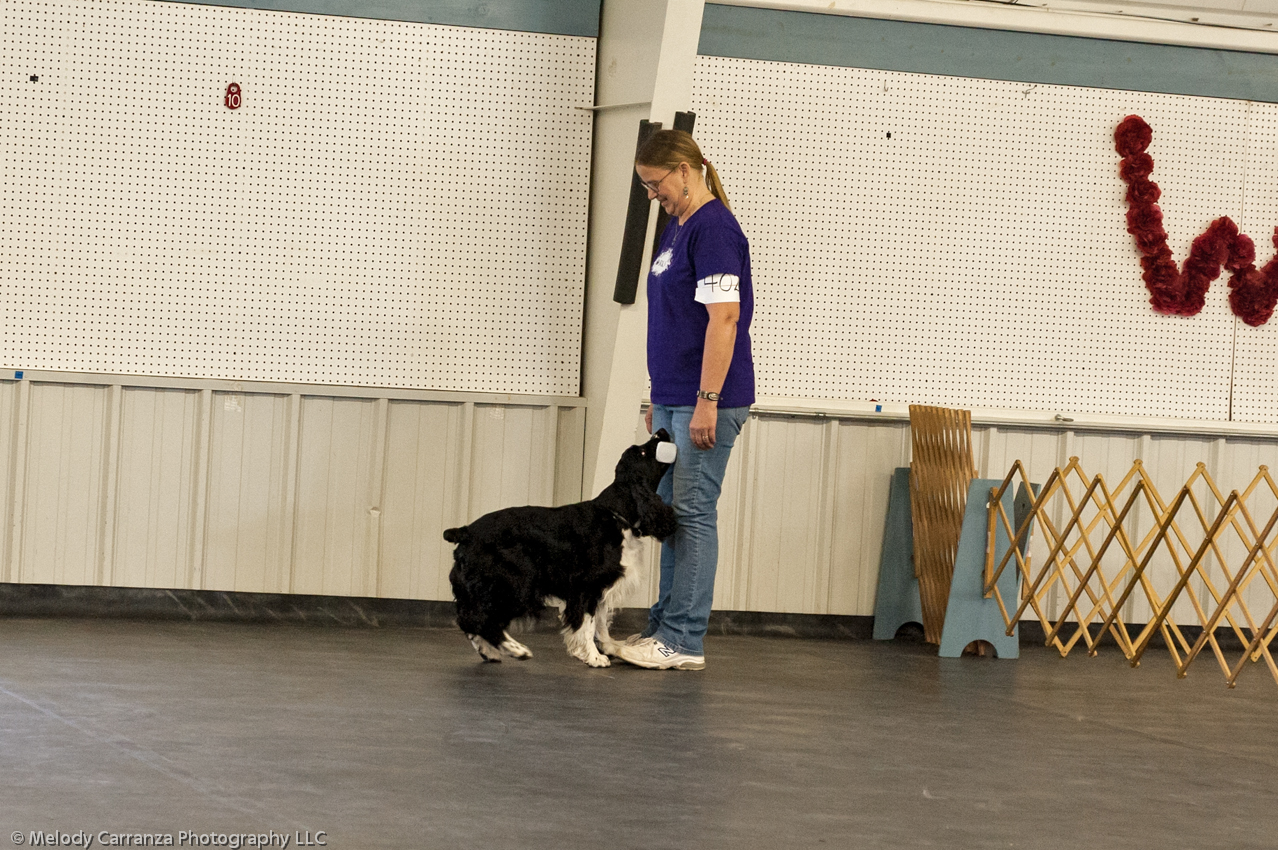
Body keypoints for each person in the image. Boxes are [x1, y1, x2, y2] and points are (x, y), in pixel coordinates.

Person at [616, 129, 754, 671]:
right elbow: (674, 323)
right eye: (646, 189)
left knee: (693, 513)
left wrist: (707, 400)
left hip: (709, 400)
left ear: (684, 168)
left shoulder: (715, 229)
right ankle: (661, 628)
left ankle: (684, 638)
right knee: (669, 513)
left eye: (655, 185)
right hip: (675, 398)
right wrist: (660, 396)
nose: (653, 196)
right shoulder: (678, 228)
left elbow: (724, 320)